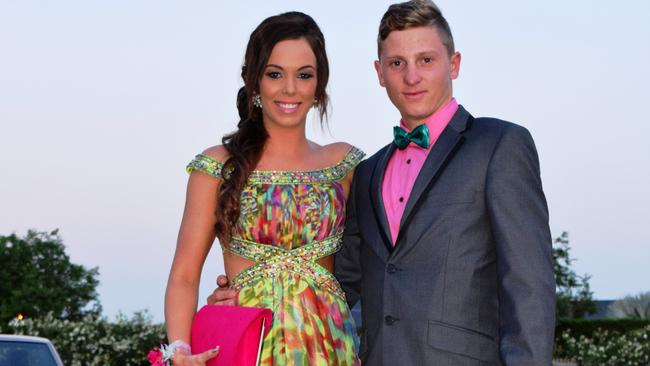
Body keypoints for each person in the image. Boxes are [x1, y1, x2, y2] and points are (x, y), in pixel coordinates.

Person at [211, 1, 555, 364]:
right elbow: (335, 278)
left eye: (426, 60)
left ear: (453, 64)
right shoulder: (367, 171)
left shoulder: (498, 145)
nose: (411, 77)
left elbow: (528, 285)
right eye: (396, 64)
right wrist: (247, 297)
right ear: (379, 72)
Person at [165, 11, 362, 366]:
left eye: (304, 75)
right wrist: (179, 350)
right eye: (275, 74)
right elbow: (183, 274)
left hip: (332, 350)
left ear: (319, 86)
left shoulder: (344, 165)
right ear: (254, 82)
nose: (290, 88)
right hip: (246, 351)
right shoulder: (218, 167)